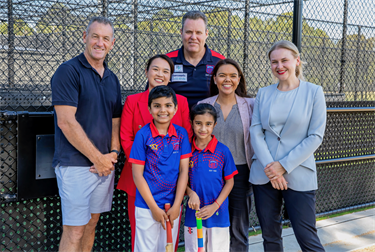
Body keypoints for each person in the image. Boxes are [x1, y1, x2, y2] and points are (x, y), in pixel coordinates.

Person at [51, 17, 121, 252]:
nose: (100, 43)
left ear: (112, 43)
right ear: (84, 37)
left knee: (91, 225)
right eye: (95, 36)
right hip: (76, 166)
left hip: (104, 166)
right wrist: (97, 158)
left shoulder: (112, 78)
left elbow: (115, 120)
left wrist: (113, 152)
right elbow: (66, 122)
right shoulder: (68, 71)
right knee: (75, 230)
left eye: (105, 38)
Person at [250, 40, 326, 252]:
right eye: (274, 62)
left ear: (297, 61)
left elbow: (315, 136)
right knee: (270, 237)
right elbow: (255, 132)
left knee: (306, 236)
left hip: (299, 172)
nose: (279, 66)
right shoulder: (263, 93)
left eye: (284, 60)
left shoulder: (314, 92)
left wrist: (282, 166)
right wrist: (272, 170)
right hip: (264, 174)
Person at [116, 54, 192, 252]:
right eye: (156, 69)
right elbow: (126, 138)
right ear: (146, 71)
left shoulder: (181, 102)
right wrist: (150, 160)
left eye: (166, 71)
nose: (160, 74)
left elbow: (186, 135)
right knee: (142, 237)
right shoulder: (133, 101)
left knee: (169, 239)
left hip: (172, 178)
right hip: (140, 177)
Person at [198, 59, 254, 252]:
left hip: (240, 172)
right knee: (212, 228)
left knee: (238, 228)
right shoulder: (204, 104)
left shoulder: (250, 105)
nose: (227, 79)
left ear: (239, 79)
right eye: (222, 75)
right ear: (214, 79)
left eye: (232, 75)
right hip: (209, 173)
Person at [130, 85, 191, 251]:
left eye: (168, 105)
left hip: (172, 206)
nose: (162, 110)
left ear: (176, 108)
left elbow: (184, 171)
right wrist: (153, 208)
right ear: (149, 109)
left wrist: (177, 204)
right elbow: (138, 176)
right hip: (147, 207)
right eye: (157, 106)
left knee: (166, 248)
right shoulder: (143, 135)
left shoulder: (182, 134)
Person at [184, 103, 238, 252]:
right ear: (192, 123)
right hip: (194, 215)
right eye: (198, 123)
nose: (203, 129)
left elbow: (230, 182)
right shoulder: (186, 150)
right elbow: (181, 179)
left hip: (218, 216)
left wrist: (215, 205)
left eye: (208, 124)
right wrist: (190, 193)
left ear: (214, 124)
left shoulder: (222, 151)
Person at [166, 11, 225, 108]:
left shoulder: (220, 62)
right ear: (181, 33)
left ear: (206, 34)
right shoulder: (167, 61)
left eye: (198, 32)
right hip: (173, 120)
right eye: (189, 32)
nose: (193, 37)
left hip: (208, 120)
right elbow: (151, 94)